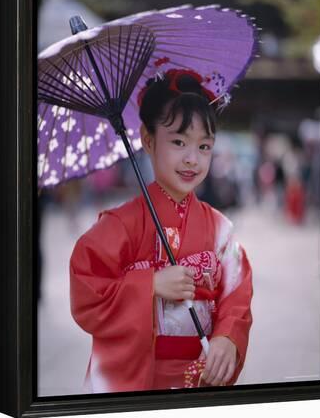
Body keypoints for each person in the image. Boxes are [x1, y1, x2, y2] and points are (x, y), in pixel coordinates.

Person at [69, 69, 253, 393]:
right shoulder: (120, 224)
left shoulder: (220, 228)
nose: (191, 159)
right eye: (179, 142)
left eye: (204, 146)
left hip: (199, 373)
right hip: (135, 377)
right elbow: (87, 290)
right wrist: (149, 285)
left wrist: (227, 337)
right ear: (148, 139)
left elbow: (237, 291)